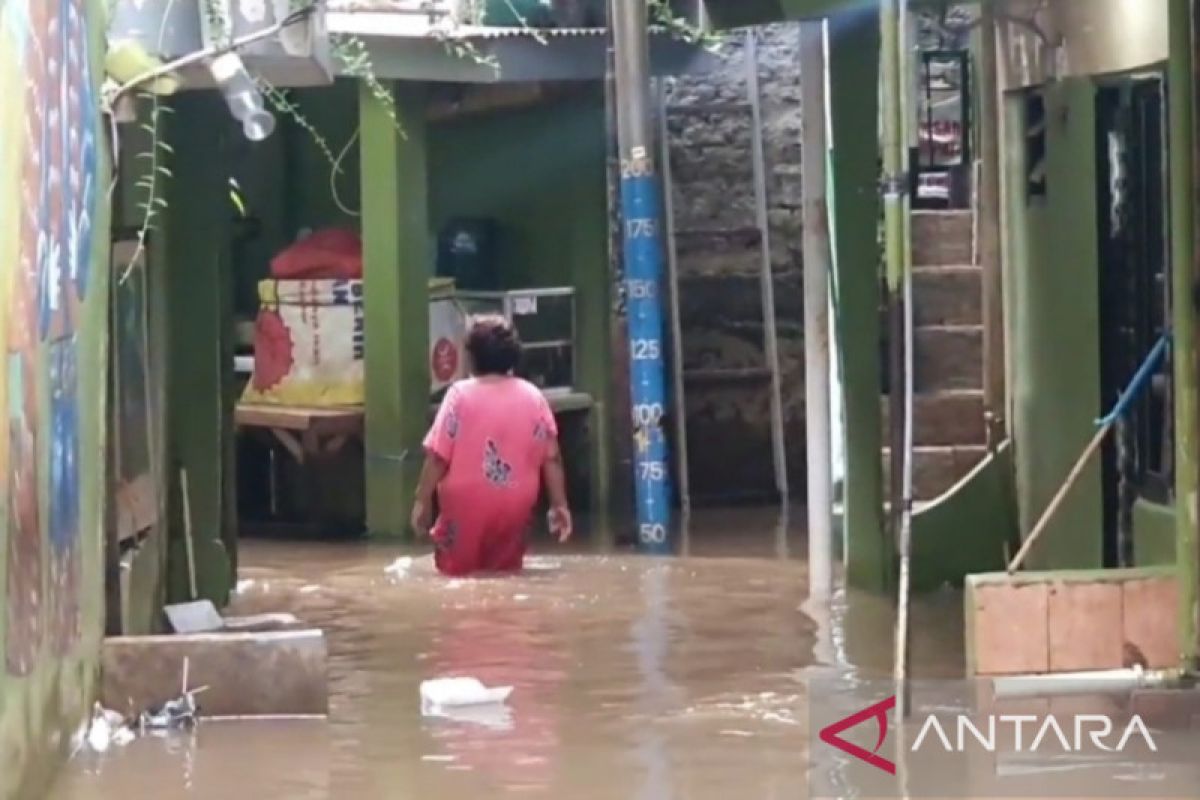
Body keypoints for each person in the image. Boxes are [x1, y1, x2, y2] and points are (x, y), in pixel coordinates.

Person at [411, 314, 572, 575]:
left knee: (456, 573)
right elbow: (551, 458)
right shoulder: (533, 397)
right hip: (515, 505)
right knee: (505, 572)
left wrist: (421, 500)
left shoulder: (459, 396)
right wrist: (559, 504)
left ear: (471, 357)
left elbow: (438, 457)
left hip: (465, 507)